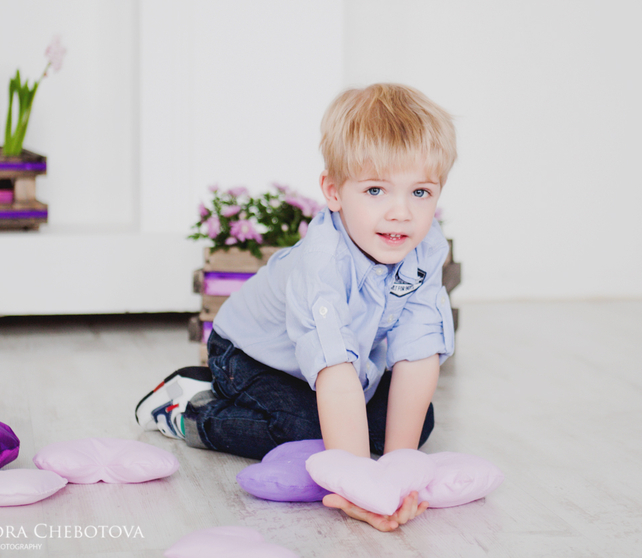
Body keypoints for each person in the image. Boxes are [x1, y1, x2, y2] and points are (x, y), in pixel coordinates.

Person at [136, 83, 457, 531]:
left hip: (340, 368)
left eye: (420, 192)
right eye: (376, 190)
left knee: (417, 423)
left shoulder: (426, 249)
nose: (401, 212)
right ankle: (189, 410)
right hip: (249, 356)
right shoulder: (322, 264)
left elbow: (417, 355)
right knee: (309, 428)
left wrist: (399, 476)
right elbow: (336, 377)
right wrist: (360, 487)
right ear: (334, 191)